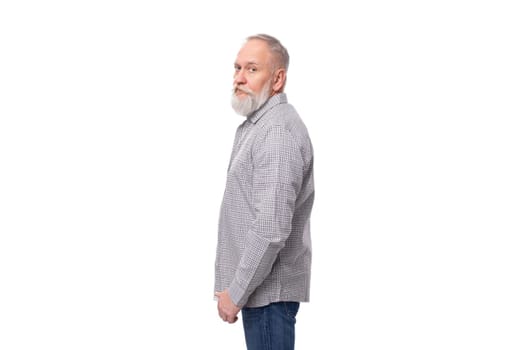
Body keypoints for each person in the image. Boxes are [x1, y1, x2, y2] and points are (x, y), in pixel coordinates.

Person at [214, 34, 315, 350]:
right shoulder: (258, 126)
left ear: (278, 79)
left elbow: (271, 228)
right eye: (237, 68)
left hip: (268, 298)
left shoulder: (277, 133)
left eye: (252, 69)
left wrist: (237, 291)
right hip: (260, 297)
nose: (239, 78)